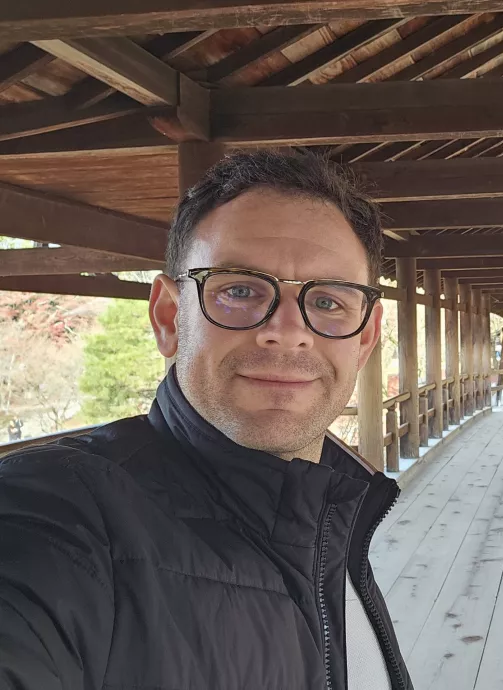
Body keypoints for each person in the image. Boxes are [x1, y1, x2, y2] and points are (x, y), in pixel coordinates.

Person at [0, 151, 413, 690]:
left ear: (365, 337)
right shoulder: (62, 514)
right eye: (240, 290)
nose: (289, 332)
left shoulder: (333, 516)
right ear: (169, 317)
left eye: (330, 301)